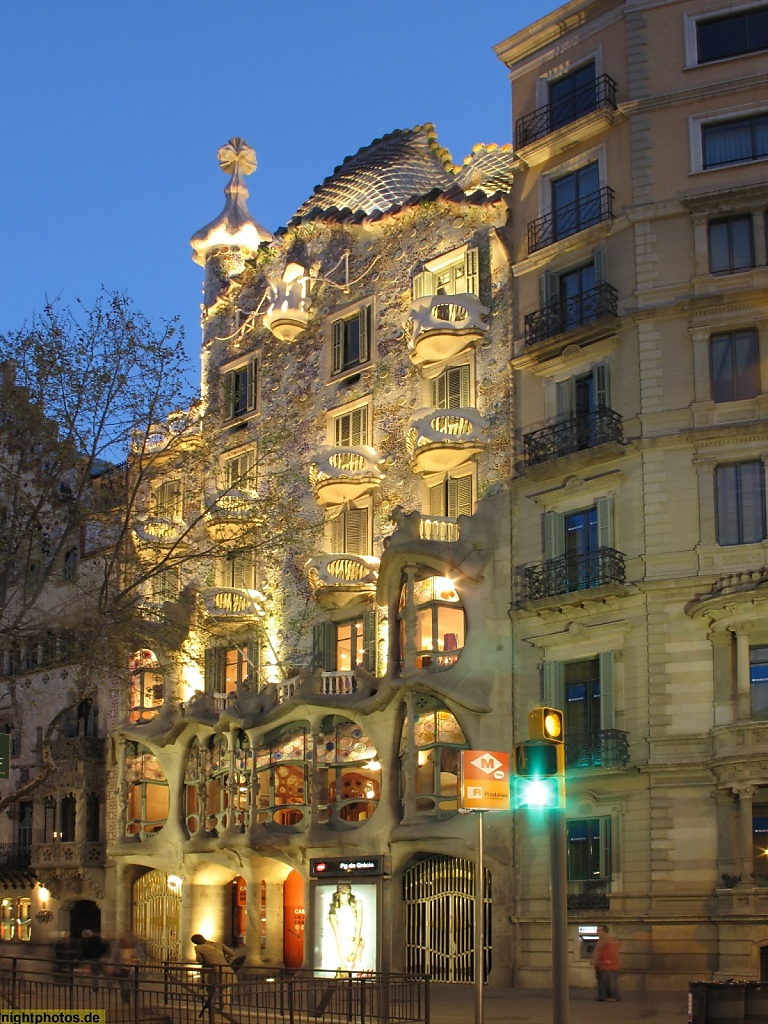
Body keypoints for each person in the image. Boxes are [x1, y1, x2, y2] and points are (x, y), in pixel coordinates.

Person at [327, 883, 364, 976]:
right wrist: (343, 963)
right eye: (343, 893)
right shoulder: (333, 913)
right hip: (341, 946)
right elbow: (338, 938)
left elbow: (358, 930)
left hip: (356, 944)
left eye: (348, 894)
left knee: (355, 973)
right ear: (338, 894)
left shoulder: (357, 904)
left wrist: (354, 952)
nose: (346, 897)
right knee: (341, 975)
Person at [191, 933, 235, 1009]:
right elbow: (232, 953)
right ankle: (225, 1009)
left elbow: (199, 960)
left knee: (211, 990)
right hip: (226, 969)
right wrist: (226, 962)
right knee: (225, 991)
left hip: (212, 971)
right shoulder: (218, 944)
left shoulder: (198, 948)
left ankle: (212, 1008)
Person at [591, 924, 621, 1002]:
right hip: (601, 964)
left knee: (610, 982)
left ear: (604, 931)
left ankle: (614, 996)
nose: (597, 932)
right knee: (602, 982)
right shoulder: (601, 940)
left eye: (599, 930)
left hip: (608, 965)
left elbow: (612, 953)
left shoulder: (609, 940)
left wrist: (608, 961)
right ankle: (602, 996)